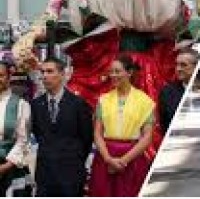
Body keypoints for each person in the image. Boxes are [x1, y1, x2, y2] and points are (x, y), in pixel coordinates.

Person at [88, 54, 155, 197]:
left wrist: (123, 161)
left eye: (117, 71)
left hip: (132, 157)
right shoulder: (103, 100)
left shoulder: (145, 101)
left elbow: (147, 138)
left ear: (129, 73)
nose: (113, 75)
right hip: (105, 157)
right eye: (111, 72)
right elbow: (97, 133)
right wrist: (108, 159)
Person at [31, 57, 93, 196]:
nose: (45, 76)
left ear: (62, 74)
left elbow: (87, 138)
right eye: (43, 72)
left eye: (50, 71)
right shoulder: (36, 105)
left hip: (71, 174)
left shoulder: (78, 104)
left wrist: (72, 159)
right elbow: (38, 133)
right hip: (45, 175)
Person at [0, 62, 31, 196]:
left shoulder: (20, 104)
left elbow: (23, 140)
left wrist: (6, 166)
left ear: (9, 77)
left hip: (9, 165)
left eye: (0, 75)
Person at [159, 47, 199, 134]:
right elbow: (164, 125)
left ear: (196, 66)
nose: (178, 69)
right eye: (177, 64)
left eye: (183, 65)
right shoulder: (167, 92)